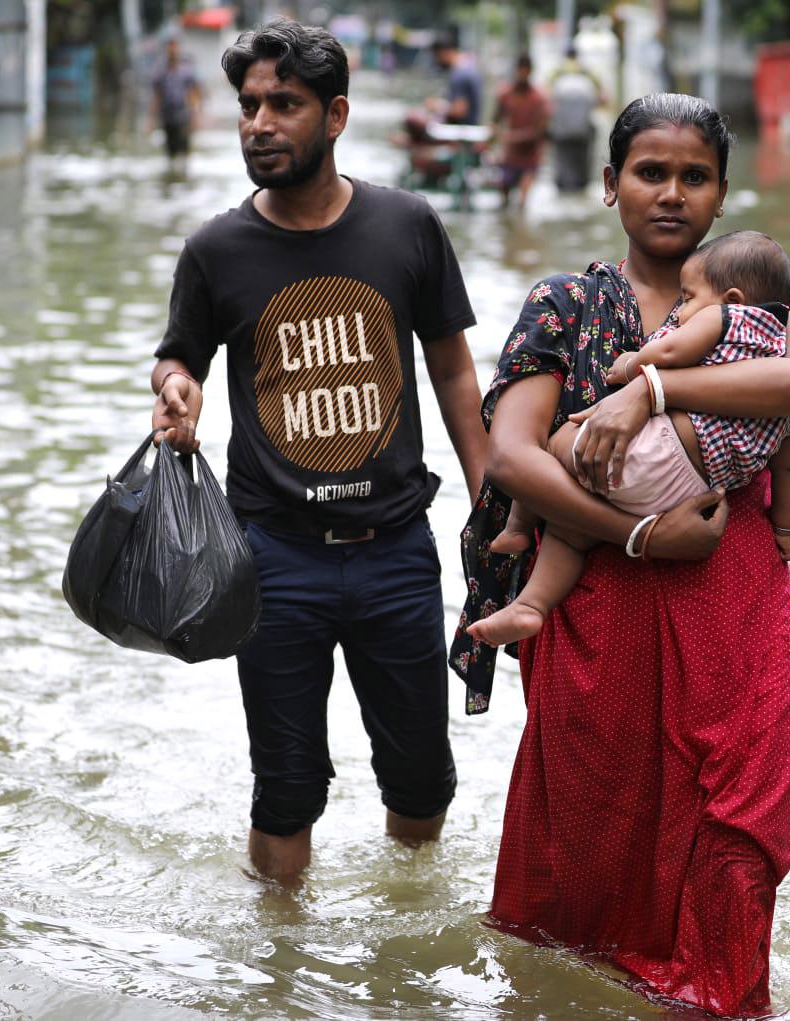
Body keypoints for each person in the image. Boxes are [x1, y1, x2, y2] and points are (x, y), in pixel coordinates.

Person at [447, 94, 790, 1016]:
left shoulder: (763, 302)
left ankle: (724, 997)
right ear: (610, 183)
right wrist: (632, 532)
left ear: (721, 193)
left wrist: (649, 388)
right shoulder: (566, 305)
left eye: (693, 177)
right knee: (591, 841)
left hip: (732, 603)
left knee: (740, 821)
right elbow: (511, 453)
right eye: (649, 173)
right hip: (600, 609)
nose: (670, 193)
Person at [148, 18, 488, 885]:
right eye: (248, 104)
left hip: (397, 555)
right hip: (272, 561)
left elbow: (451, 369)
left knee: (420, 783)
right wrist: (177, 386)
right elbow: (180, 351)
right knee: (285, 789)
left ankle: (405, 946)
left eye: (283, 104)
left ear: (334, 116)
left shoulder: (406, 226)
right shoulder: (215, 250)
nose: (258, 122)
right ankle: (282, 973)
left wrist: (494, 500)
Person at [467, 229, 790, 646]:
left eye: (687, 299)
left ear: (733, 301)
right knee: (576, 528)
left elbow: (669, 353)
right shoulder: (784, 367)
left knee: (558, 451)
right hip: (695, 491)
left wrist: (632, 370)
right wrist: (786, 528)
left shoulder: (725, 319)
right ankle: (531, 606)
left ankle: (524, 547)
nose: (680, 312)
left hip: (656, 453)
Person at [490, 54, 549, 209]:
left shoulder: (539, 98)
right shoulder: (505, 94)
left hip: (530, 156)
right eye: (520, 70)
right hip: (510, 156)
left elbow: (540, 131)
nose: (522, 74)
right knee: (503, 200)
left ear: (530, 72)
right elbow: (495, 122)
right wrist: (490, 143)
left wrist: (512, 137)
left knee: (522, 202)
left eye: (525, 70)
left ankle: (521, 229)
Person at [547, 46, 605, 192]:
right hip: (583, 128)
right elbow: (603, 97)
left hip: (561, 128)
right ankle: (581, 184)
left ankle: (562, 184)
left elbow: (546, 98)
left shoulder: (556, 73)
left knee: (561, 160)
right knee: (583, 161)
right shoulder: (588, 73)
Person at [151, 37, 202, 160]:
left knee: (184, 150)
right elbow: (157, 95)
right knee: (170, 151)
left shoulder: (187, 70)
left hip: (183, 116)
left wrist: (196, 115)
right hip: (167, 116)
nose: (172, 50)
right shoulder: (161, 71)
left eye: (174, 46)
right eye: (169, 46)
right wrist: (151, 119)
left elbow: (194, 92)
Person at [432, 34, 481, 126]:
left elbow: (459, 111)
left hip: (463, 131)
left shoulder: (460, 74)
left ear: (444, 52)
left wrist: (436, 106)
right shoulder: (468, 67)